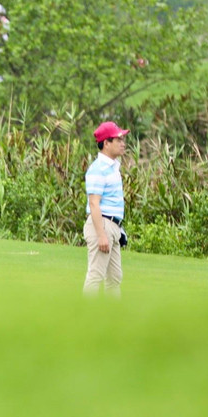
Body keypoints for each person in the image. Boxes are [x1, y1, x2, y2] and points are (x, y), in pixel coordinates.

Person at [84, 121, 129, 296]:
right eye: (118, 140)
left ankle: (112, 313)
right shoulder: (98, 169)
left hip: (113, 226)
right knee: (96, 275)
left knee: (115, 278)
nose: (123, 143)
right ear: (106, 143)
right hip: (101, 225)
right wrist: (101, 234)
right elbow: (94, 203)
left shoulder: (113, 167)